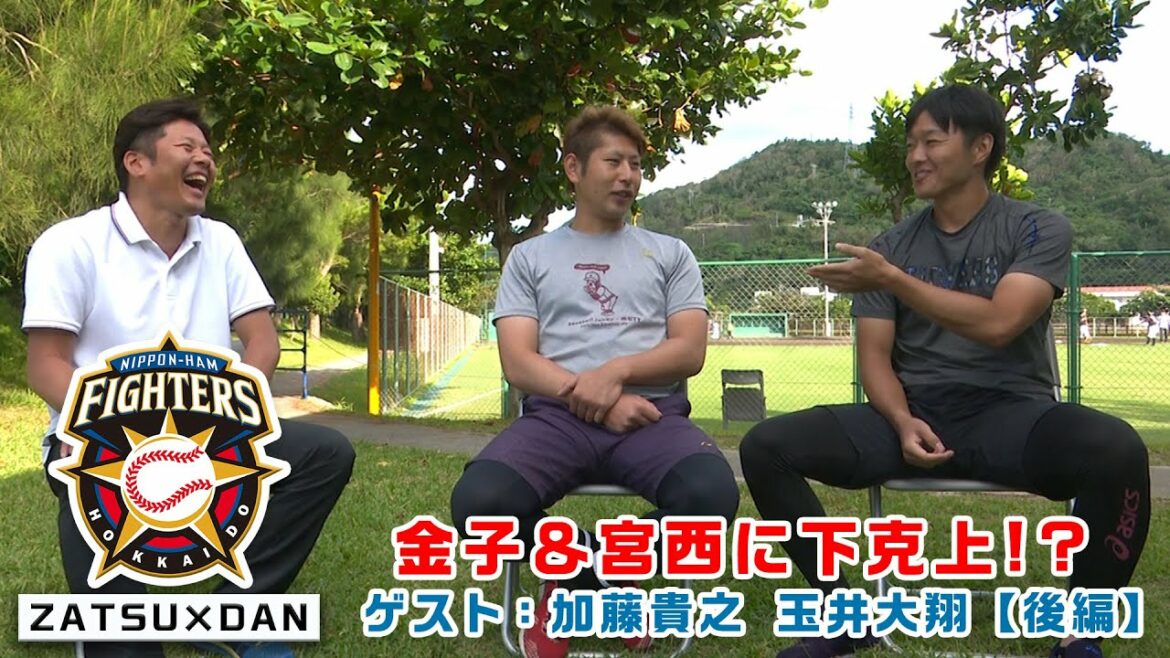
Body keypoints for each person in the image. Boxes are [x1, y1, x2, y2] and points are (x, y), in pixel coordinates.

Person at [739, 85, 1148, 658]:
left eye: (932, 141)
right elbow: (874, 357)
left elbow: (1001, 322)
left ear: (981, 148)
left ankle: (1081, 634)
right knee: (766, 447)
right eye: (911, 145)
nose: (916, 157)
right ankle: (844, 616)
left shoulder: (1036, 228)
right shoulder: (891, 245)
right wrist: (902, 420)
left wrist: (893, 279)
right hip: (913, 412)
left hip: (1010, 411)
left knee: (1116, 449)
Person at [22, 98, 356, 658]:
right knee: (126, 646)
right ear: (136, 163)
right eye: (187, 147)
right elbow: (46, 363)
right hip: (100, 443)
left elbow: (262, 340)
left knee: (324, 454)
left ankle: (233, 617)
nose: (204, 159)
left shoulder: (220, 241)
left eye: (208, 151)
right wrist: (117, 433)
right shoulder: (70, 244)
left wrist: (230, 415)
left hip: (209, 434)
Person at [449, 106, 738, 658]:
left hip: (651, 416)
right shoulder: (530, 257)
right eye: (613, 162)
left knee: (711, 497)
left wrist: (616, 374)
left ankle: (587, 568)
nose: (628, 175)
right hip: (556, 419)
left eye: (635, 165)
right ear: (574, 168)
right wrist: (600, 402)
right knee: (479, 505)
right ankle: (591, 580)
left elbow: (689, 349)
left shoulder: (670, 253)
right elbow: (518, 361)